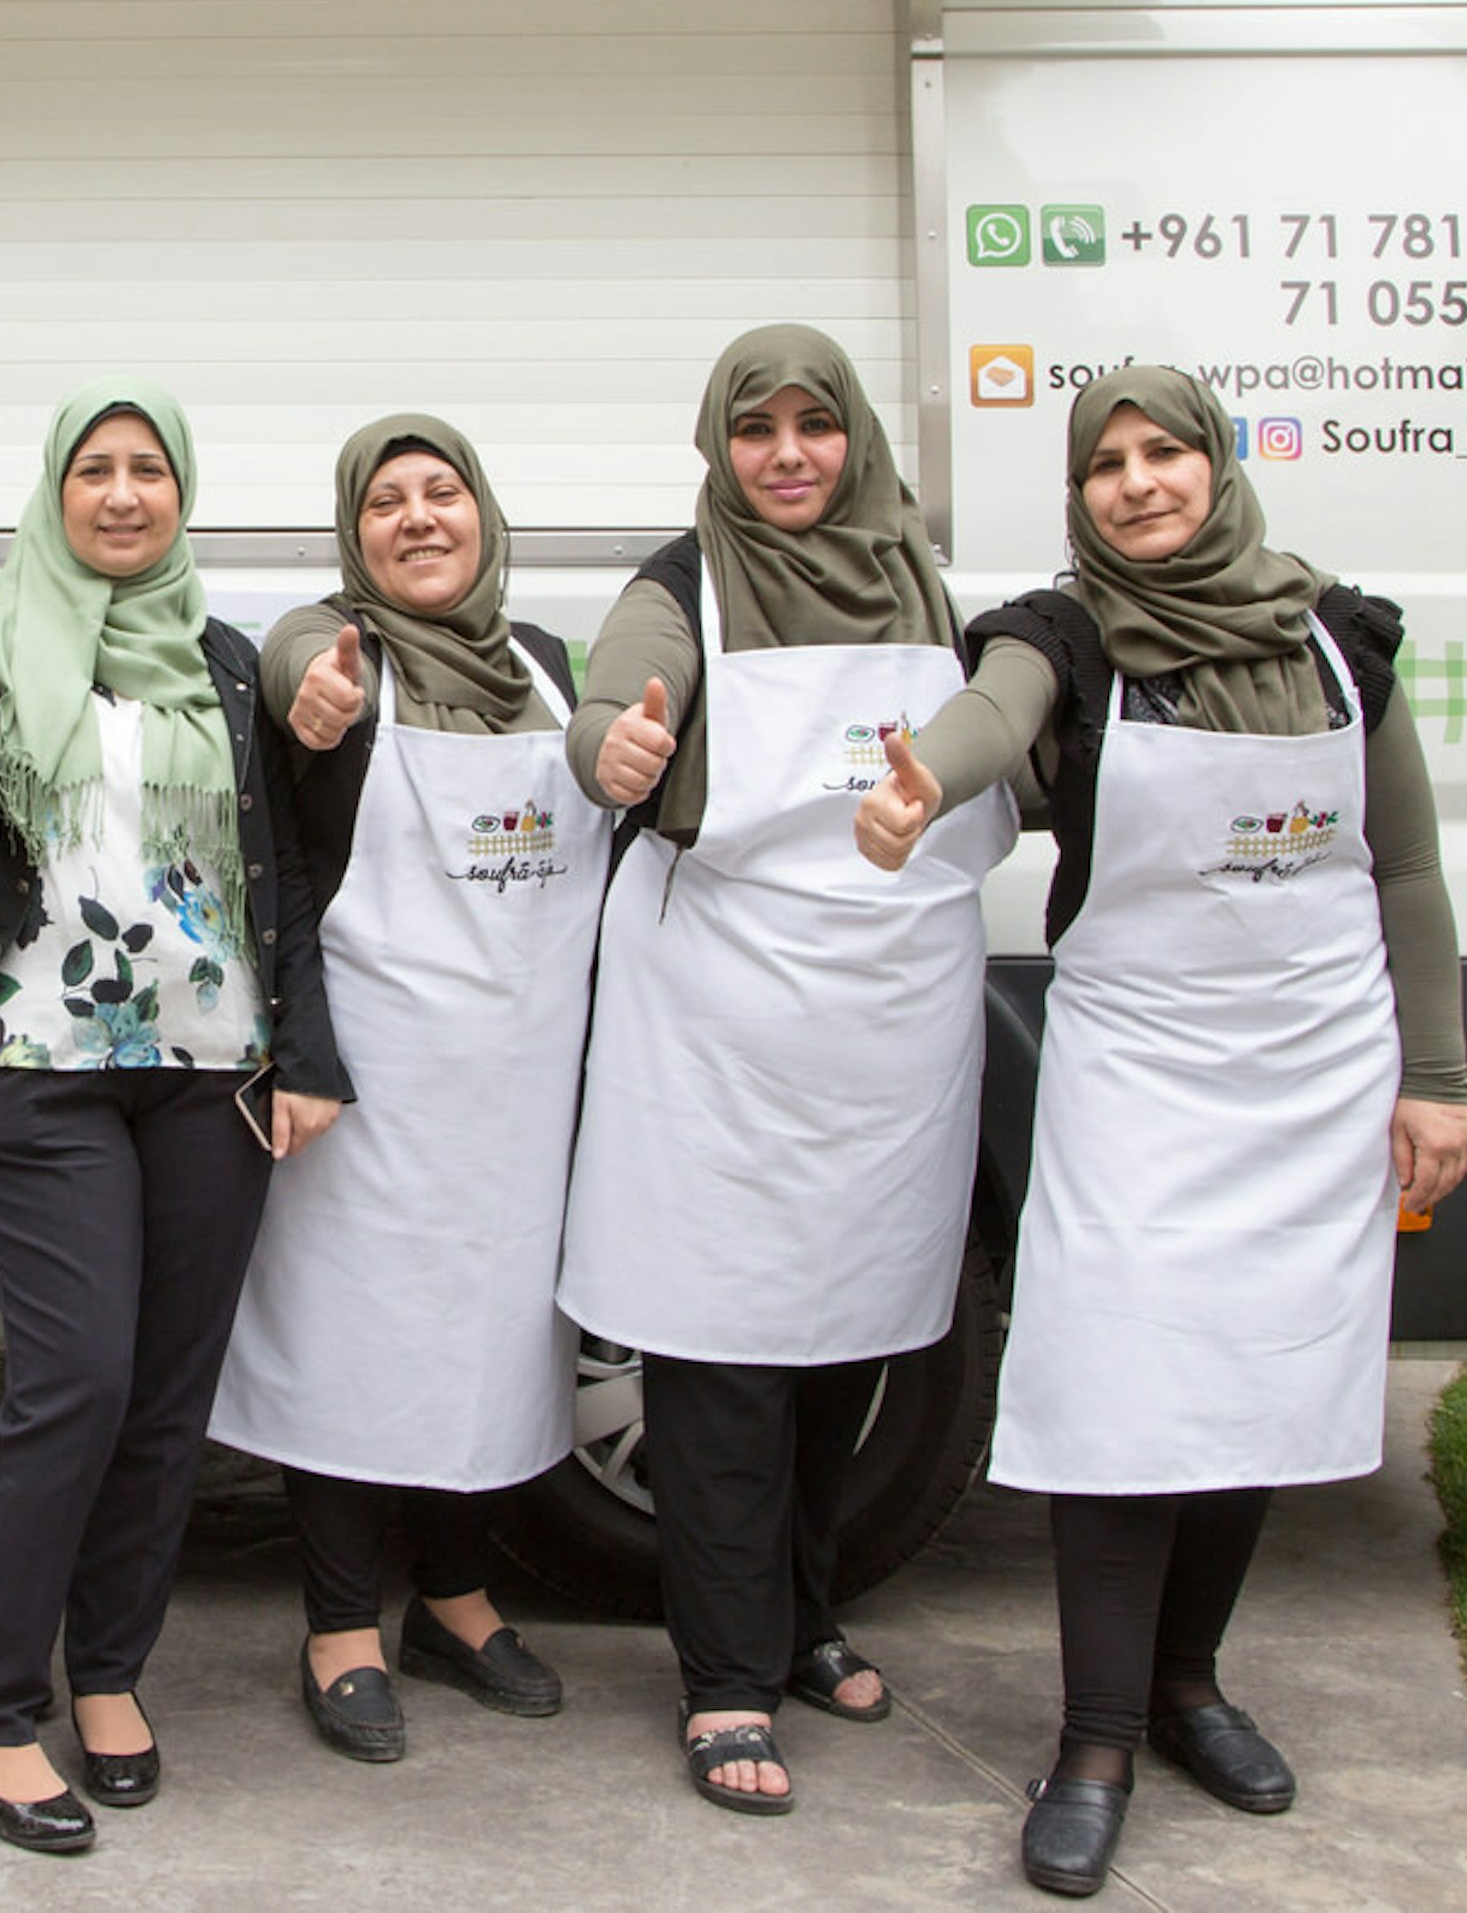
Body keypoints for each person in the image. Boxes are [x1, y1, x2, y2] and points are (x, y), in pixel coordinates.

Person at [855, 365, 1467, 1900]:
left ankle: (1191, 1685)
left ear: (1215, 466)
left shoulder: (1337, 637)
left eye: (1164, 453)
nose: (1137, 483)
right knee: (1125, 1394)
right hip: (1146, 1073)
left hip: (1315, 1076)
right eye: (1106, 464)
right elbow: (998, 715)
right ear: (1080, 496)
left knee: (1251, 1384)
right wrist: (929, 778)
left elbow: (1404, 868)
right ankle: (1096, 1739)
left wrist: (1438, 1074)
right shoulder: (1064, 635)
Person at [558, 326, 1017, 1817]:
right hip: (721, 1038)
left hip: (888, 1040)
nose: (790, 454)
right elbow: (628, 686)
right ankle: (726, 1676)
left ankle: (809, 1618)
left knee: (850, 1350)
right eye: (757, 429)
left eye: (817, 424)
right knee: (724, 1367)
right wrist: (612, 744)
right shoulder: (685, 581)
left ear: (858, 436)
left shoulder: (921, 587)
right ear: (721, 447)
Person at [0, 379, 350, 1856]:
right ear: (53, 487)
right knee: (77, 1374)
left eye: (148, 467)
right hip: (34, 1063)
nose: (122, 492)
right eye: (93, 467)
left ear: (182, 491)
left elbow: (281, 872)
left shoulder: (223, 660)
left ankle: (110, 1668)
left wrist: (307, 1050)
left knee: (167, 1392)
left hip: (212, 1068)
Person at [207, 415, 602, 1764]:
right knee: (349, 1344)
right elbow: (288, 852)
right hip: (366, 1076)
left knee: (485, 1342)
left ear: (485, 514)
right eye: (387, 500)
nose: (420, 517)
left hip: (514, 1085)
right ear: (351, 531)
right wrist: (305, 697)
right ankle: (337, 1623)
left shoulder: (545, 667)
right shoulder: (325, 646)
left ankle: (454, 1596)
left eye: (444, 492)